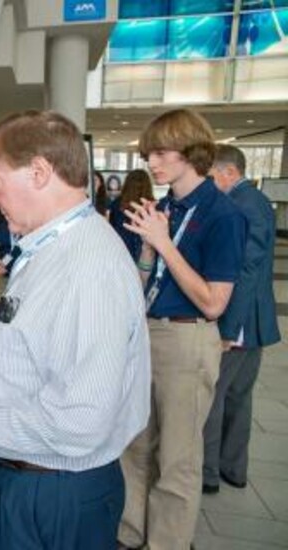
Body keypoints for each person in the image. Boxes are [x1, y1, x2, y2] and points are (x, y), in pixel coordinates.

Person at [0, 111, 151, 549]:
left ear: (39, 172)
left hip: (53, 491)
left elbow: (81, 421)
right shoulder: (51, 247)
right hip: (31, 479)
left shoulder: (87, 267)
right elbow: (26, 334)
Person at [118, 109, 247, 550]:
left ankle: (167, 543)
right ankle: (130, 533)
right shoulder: (164, 207)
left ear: (191, 150)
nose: (151, 161)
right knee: (134, 445)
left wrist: (163, 243)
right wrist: (147, 252)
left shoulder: (222, 214)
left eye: (161, 151)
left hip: (188, 337)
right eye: (148, 153)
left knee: (177, 457)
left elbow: (214, 302)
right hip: (146, 331)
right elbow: (146, 276)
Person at [202, 144, 280, 494]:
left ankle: (208, 472)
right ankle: (233, 468)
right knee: (238, 396)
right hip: (254, 322)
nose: (210, 183)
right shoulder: (257, 202)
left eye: (212, 175)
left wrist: (228, 328)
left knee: (216, 396)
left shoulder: (242, 205)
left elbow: (244, 271)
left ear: (229, 173)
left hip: (241, 323)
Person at [109, 169, 155, 261]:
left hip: (121, 252)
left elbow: (112, 229)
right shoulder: (153, 206)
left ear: (127, 184)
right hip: (145, 253)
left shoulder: (116, 204)